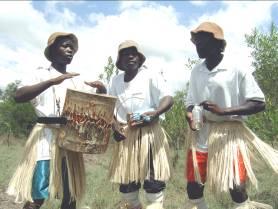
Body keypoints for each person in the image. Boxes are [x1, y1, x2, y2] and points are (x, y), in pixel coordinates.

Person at [184, 21, 278, 209]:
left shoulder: (236, 69)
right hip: (201, 134)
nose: (198, 46)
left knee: (236, 187)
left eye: (203, 42)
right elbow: (190, 102)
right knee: (193, 186)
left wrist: (224, 111)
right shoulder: (197, 71)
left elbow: (259, 102)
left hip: (230, 135)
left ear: (219, 45)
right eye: (197, 43)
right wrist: (190, 114)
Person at [7, 32, 103, 209]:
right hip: (46, 137)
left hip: (70, 140)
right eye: (65, 46)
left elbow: (96, 109)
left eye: (72, 48)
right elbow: (18, 96)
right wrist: (52, 82)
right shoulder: (40, 74)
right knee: (37, 195)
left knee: (71, 194)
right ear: (52, 50)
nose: (69, 50)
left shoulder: (77, 80)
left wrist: (102, 90)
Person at [101, 40, 174, 209]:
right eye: (125, 54)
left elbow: (168, 98)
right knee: (127, 187)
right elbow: (109, 107)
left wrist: (156, 113)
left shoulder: (151, 75)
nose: (130, 56)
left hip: (150, 135)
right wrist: (114, 126)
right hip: (126, 136)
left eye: (133, 53)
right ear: (120, 60)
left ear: (140, 57)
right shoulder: (115, 81)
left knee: (153, 183)